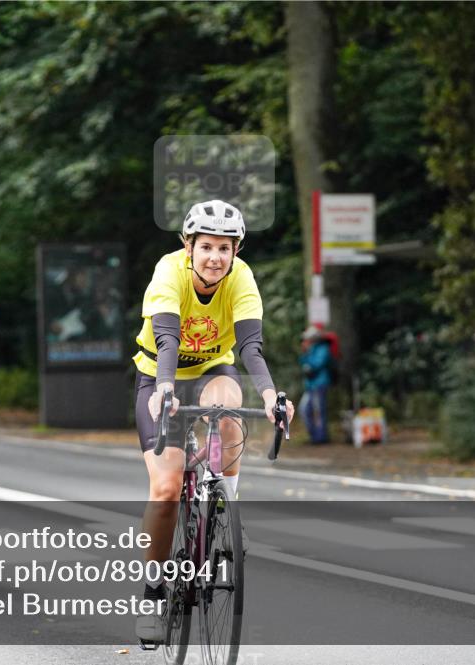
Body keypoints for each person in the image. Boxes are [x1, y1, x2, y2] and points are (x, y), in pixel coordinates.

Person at [132, 200, 294, 642]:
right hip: (159, 376)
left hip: (211, 370)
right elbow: (166, 336)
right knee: (166, 489)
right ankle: (152, 593)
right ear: (188, 246)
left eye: (225, 248)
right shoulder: (169, 271)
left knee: (227, 409)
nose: (215, 257)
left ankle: (225, 503)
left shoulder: (240, 277)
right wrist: (165, 387)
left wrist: (270, 396)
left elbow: (250, 347)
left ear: (236, 250)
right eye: (206, 247)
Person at [299, 325, 333, 444]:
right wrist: (305, 353)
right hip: (310, 385)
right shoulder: (310, 349)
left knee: (318, 411)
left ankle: (321, 438)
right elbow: (303, 364)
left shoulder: (323, 348)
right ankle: (313, 436)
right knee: (303, 409)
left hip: (319, 383)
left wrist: (308, 354)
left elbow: (317, 364)